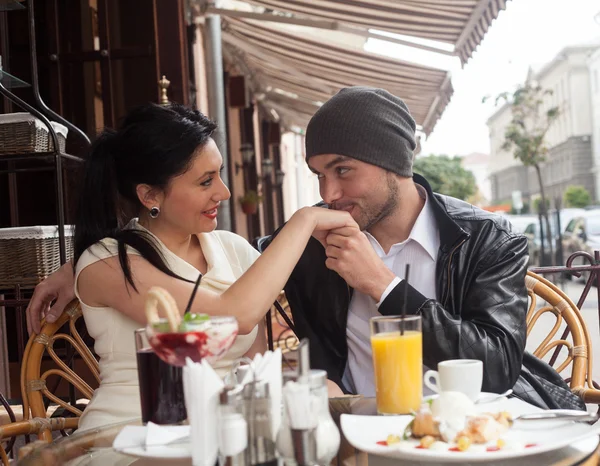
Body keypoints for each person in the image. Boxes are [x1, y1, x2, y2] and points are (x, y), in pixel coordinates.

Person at [28, 88, 582, 411]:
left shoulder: (486, 238)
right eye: (318, 174)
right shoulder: (312, 245)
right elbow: (203, 278)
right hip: (352, 427)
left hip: (470, 425)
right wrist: (82, 263)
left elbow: (498, 367)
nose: (329, 194)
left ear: (396, 164)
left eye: (344, 171)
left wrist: (383, 287)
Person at [38, 103, 355, 430]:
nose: (225, 192)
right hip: (132, 436)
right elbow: (234, 316)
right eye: (205, 182)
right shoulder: (107, 263)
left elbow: (256, 370)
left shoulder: (231, 249)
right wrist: (305, 219)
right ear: (150, 195)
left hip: (221, 433)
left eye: (219, 174)